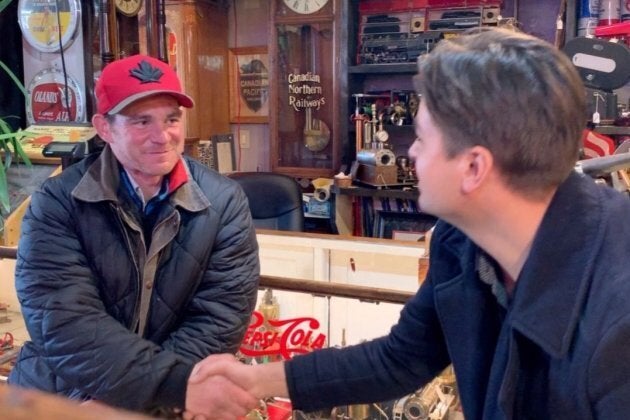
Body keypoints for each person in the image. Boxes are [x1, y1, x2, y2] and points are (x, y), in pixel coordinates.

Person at [186, 27, 630, 419]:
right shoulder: (461, 242)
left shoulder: (617, 314)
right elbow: (402, 359)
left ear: (474, 168)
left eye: (421, 137)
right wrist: (255, 382)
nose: (410, 154)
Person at [8, 54, 260, 416]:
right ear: (105, 127)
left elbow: (219, 320)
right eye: (142, 121)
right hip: (61, 398)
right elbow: (65, 323)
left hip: (164, 404)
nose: (162, 136)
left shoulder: (224, 203)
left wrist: (143, 400)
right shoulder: (57, 202)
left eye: (171, 119)